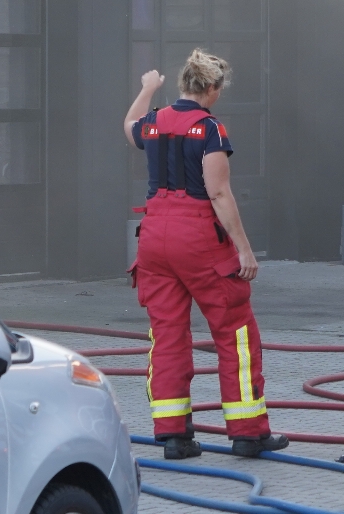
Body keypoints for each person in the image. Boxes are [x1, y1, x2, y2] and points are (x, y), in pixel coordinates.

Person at [124, 48, 287, 461]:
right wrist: (245, 250)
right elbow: (217, 192)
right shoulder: (210, 128)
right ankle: (249, 433)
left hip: (154, 237)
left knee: (167, 334)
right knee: (235, 332)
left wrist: (146, 89)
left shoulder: (154, 120)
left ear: (182, 84)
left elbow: (128, 127)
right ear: (212, 89)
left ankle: (174, 437)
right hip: (197, 237)